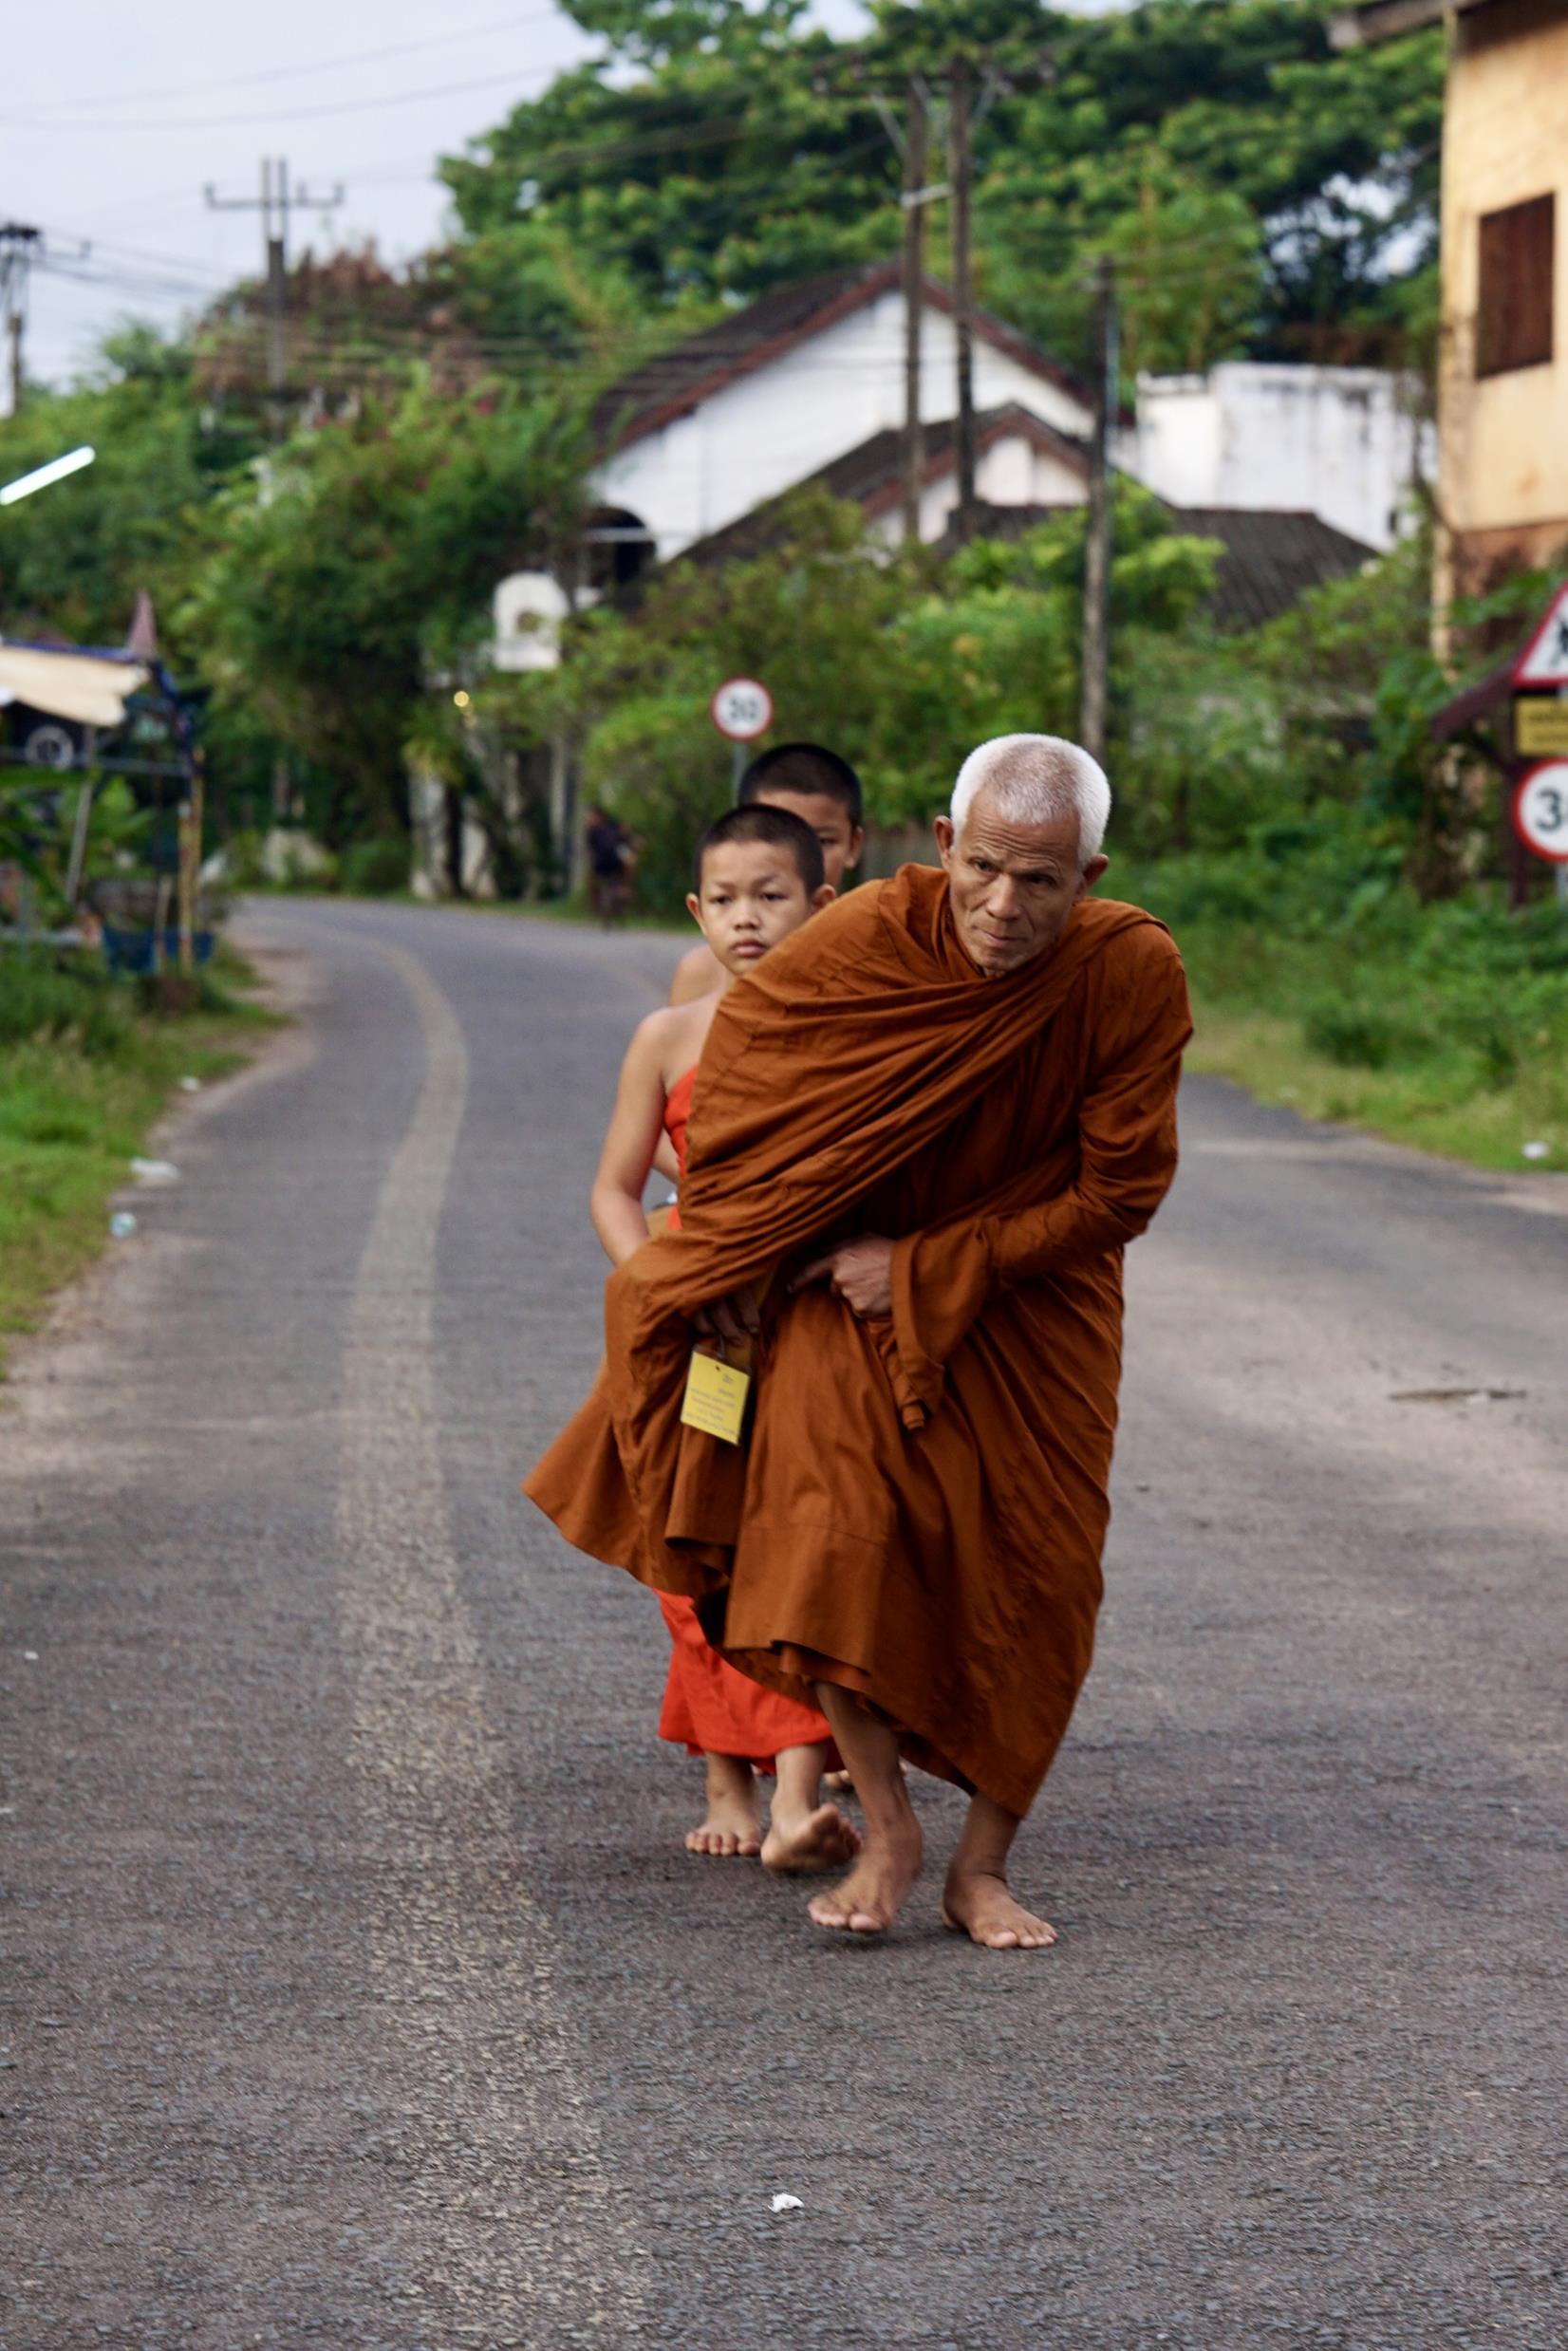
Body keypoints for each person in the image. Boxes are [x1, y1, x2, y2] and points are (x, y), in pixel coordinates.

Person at [526, 734, 1191, 1950]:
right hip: (840, 1271)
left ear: (1089, 877)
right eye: (984, 867)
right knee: (823, 1535)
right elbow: (735, 1091)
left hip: (1029, 1297)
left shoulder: (1128, 969)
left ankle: (981, 1866)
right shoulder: (867, 936)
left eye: (1040, 881)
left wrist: (933, 1266)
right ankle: (884, 1823)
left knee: (1038, 1574)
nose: (1004, 905)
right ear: (941, 847)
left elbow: (1119, 1193)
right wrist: (744, 1251)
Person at [585, 801, 860, 1874]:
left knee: (802, 1542)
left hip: (813, 1334)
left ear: (820, 904)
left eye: (772, 896)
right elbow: (614, 1191)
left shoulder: (855, 1038)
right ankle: (727, 1774)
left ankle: (794, 1790)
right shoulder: (666, 1039)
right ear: (697, 910)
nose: (746, 919)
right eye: (727, 900)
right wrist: (673, 1285)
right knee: (695, 1545)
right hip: (702, 1347)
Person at [667, 743, 865, 1008]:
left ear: (853, 845)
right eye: (771, 834)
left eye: (823, 841)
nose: (799, 855)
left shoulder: (878, 964)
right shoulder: (703, 972)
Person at [586, 806, 630, 926]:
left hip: (615, 858)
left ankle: (624, 888)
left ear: (599, 816)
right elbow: (591, 850)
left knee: (630, 861)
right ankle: (596, 907)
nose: (589, 819)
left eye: (591, 816)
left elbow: (625, 839)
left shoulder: (613, 825)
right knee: (591, 881)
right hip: (601, 861)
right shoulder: (592, 832)